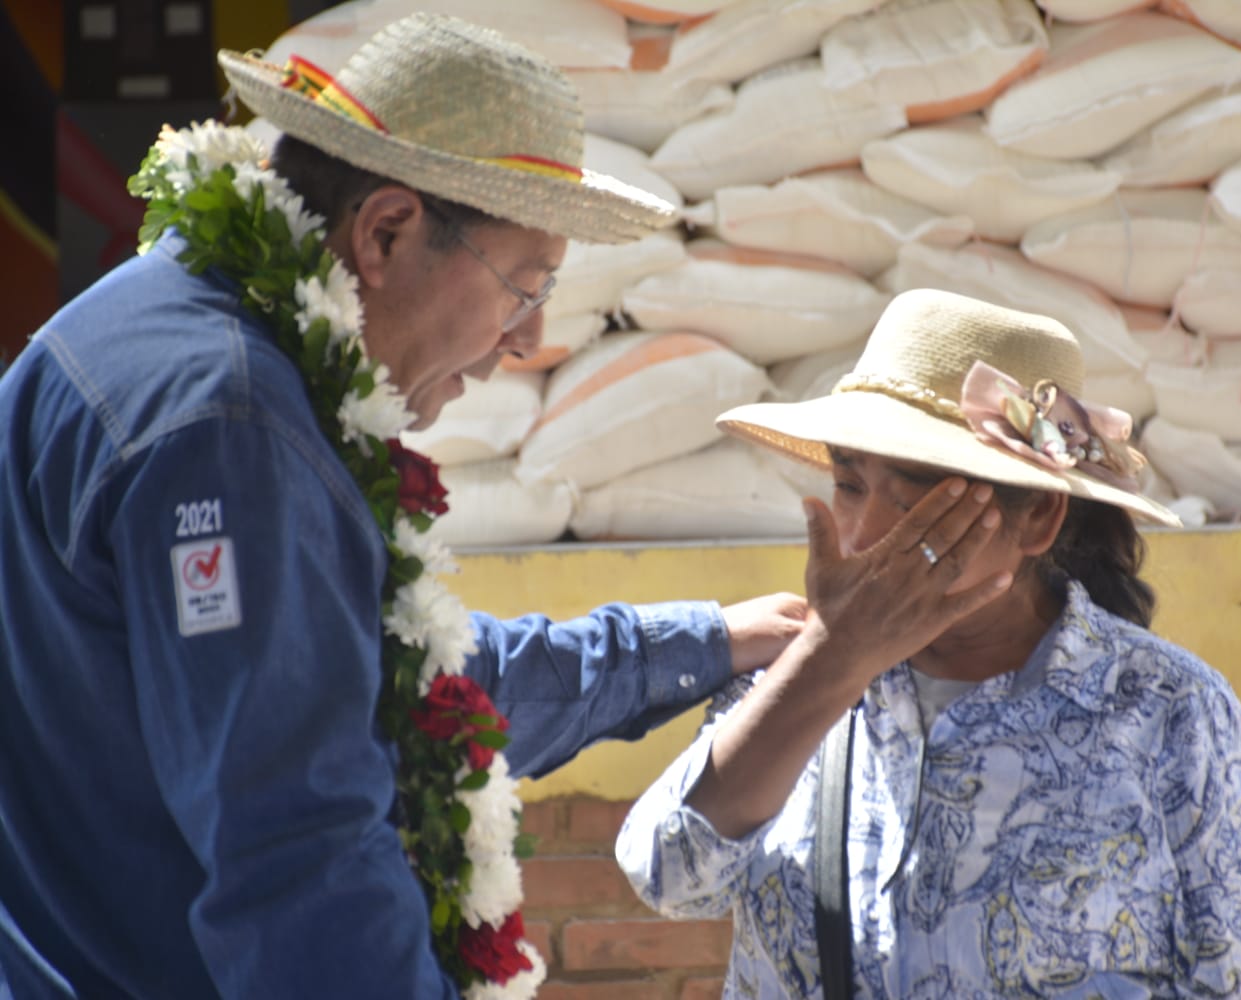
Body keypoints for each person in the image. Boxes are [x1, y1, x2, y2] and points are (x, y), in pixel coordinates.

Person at [0, 14, 803, 1000]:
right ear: (385, 232)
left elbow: (408, 697)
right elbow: (303, 861)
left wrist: (702, 643)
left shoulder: (151, 325)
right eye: (525, 288)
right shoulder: (233, 429)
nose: (529, 338)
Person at [617, 289, 1241, 998]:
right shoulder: (786, 677)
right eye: (850, 485)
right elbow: (668, 877)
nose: (863, 536)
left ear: (1037, 516)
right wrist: (830, 661)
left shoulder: (1170, 714)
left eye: (913, 501)